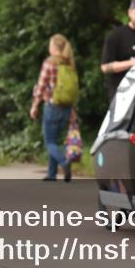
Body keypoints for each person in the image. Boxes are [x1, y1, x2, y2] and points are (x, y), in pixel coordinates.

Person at [31, 34, 77, 182]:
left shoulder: (50, 63)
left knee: (49, 141)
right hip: (66, 107)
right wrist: (73, 109)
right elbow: (73, 89)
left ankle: (64, 162)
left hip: (52, 106)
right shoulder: (69, 63)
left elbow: (41, 86)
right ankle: (52, 174)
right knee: (56, 140)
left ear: (54, 48)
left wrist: (34, 105)